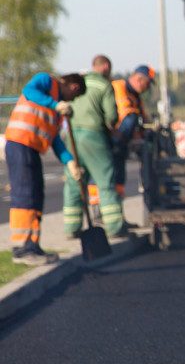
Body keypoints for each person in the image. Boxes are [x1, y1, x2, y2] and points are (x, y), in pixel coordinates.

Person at [4, 72, 86, 265]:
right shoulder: (47, 81)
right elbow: (28, 91)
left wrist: (70, 161)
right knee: (25, 195)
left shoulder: (56, 110)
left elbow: (55, 139)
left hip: (31, 148)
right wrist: (55, 104)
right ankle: (22, 249)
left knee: (36, 196)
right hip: (20, 143)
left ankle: (33, 245)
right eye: (74, 97)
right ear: (74, 87)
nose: (71, 100)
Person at [62, 57, 127, 239]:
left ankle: (71, 227)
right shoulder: (104, 85)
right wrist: (111, 127)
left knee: (74, 181)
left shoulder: (79, 83)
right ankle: (114, 226)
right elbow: (112, 116)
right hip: (95, 136)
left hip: (72, 136)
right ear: (106, 67)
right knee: (105, 182)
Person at [112, 65, 155, 198]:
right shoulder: (119, 86)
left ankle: (117, 212)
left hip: (122, 144)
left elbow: (144, 118)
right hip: (113, 138)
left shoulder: (136, 97)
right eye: (147, 84)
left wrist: (150, 129)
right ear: (139, 80)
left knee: (119, 178)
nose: (146, 88)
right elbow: (126, 114)